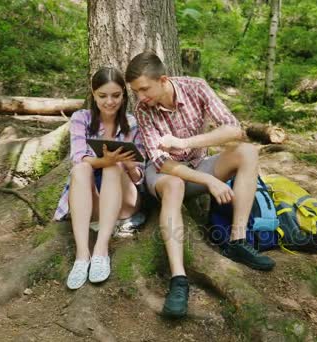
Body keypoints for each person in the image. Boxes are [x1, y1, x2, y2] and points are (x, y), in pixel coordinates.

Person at [125, 51, 275, 318]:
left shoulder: (196, 87)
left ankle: (237, 241)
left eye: (144, 89)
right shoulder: (142, 110)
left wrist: (185, 143)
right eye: (136, 91)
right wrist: (208, 180)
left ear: (163, 80)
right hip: (165, 175)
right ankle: (178, 279)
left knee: (248, 152)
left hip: (197, 162)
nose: (140, 97)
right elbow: (162, 164)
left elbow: (233, 129)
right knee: (174, 185)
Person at [54, 67, 146, 290]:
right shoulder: (81, 119)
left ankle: (101, 250)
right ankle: (82, 255)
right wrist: (104, 161)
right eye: (103, 96)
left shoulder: (132, 123)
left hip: (124, 200)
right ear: (93, 94)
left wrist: (132, 166)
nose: (110, 102)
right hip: (92, 201)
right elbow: (78, 158)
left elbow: (140, 177)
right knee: (80, 169)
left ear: (123, 95)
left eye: (116, 95)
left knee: (114, 168)